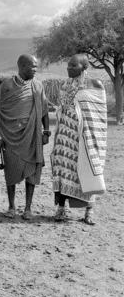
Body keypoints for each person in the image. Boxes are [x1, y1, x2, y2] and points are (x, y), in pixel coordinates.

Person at [51, 54, 107, 225]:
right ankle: (61, 208)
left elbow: (99, 115)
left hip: (87, 136)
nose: (69, 68)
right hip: (64, 135)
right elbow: (62, 108)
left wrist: (90, 133)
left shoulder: (95, 85)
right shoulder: (65, 85)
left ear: (84, 67)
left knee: (87, 167)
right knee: (63, 169)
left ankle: (89, 211)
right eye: (68, 65)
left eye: (73, 65)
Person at [0, 55, 49, 220]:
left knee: (31, 171)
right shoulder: (7, 85)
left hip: (32, 135)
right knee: (11, 170)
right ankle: (11, 207)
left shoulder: (38, 86)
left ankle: (27, 208)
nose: (35, 69)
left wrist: (46, 131)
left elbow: (44, 110)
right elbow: (1, 112)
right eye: (33, 66)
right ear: (22, 65)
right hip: (10, 135)